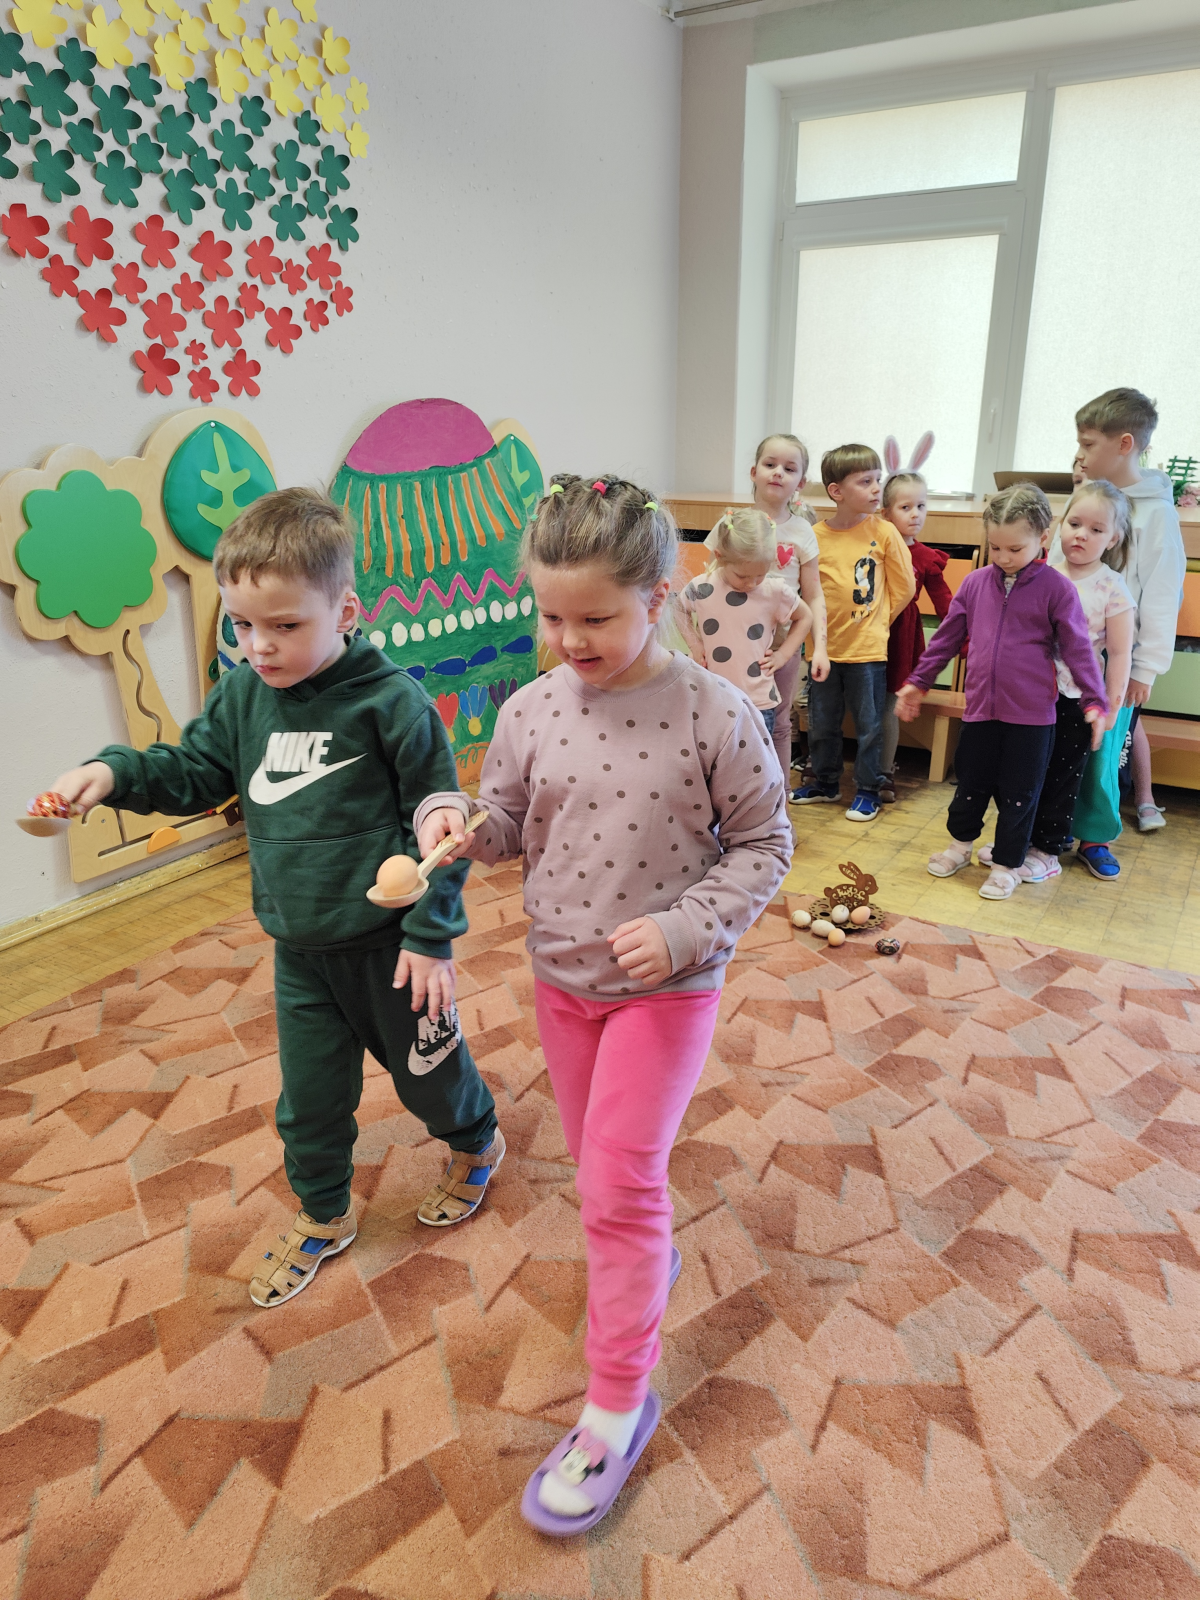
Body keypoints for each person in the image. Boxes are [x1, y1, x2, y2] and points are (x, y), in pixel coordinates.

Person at [419, 474, 792, 1535]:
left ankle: (615, 1405)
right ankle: (646, 1255)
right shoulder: (531, 708)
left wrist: (685, 929)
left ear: (659, 595)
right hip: (562, 982)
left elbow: (767, 844)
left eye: (593, 618)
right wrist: (455, 818)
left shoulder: (714, 712)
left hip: (667, 990)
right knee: (598, 1173)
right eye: (550, 616)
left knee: (619, 1185)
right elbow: (505, 823)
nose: (567, 639)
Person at [45, 489, 503, 1308]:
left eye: (285, 625)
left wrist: (431, 937)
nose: (259, 646)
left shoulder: (392, 703)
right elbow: (195, 774)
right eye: (242, 625)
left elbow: (443, 833)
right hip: (301, 949)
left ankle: (476, 1142)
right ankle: (324, 1213)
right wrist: (113, 774)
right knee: (309, 1103)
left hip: (393, 952)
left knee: (429, 1079)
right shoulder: (242, 697)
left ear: (346, 611)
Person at [896, 483, 1108, 899]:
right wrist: (918, 682)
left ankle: (1008, 865)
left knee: (1019, 795)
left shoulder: (1057, 589)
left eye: (1015, 548)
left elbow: (1078, 649)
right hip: (980, 710)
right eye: (995, 548)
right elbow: (946, 638)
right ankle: (959, 847)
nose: (1004, 558)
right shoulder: (975, 584)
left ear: (1043, 538)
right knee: (970, 785)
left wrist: (1094, 700)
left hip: (1032, 718)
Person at [983, 481, 1135, 882]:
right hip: (1028, 696)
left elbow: (1120, 653)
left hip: (1074, 701)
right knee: (1020, 774)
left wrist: (1109, 707)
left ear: (1113, 538)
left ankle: (1047, 849)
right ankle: (1014, 841)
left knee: (1060, 778)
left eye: (1096, 529)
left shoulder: (1111, 587)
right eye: (1075, 523)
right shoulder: (1039, 573)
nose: (1081, 535)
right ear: (1057, 527)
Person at [1058, 388, 1185, 833]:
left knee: (1103, 755)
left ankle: (1095, 838)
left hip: (1116, 660)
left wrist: (1144, 669)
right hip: (1064, 656)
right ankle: (1051, 832)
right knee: (1061, 749)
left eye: (1088, 443)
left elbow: (1163, 596)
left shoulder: (1157, 516)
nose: (1079, 453)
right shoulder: (1085, 500)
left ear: (1125, 444)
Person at [790, 444, 915, 822]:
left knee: (869, 726)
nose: (877, 488)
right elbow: (806, 589)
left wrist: (877, 621)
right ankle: (825, 782)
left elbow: (904, 588)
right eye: (865, 482)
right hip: (823, 650)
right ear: (836, 491)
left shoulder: (885, 532)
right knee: (822, 722)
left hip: (867, 650)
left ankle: (868, 789)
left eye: (878, 479)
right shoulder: (814, 536)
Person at [723, 433, 829, 777]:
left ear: (802, 482)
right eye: (770, 464)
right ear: (754, 472)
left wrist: (820, 648)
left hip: (780, 647)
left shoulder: (802, 532)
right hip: (732, 643)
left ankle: (779, 798)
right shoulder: (731, 523)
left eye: (789, 468)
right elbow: (709, 585)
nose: (778, 472)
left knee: (779, 723)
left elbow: (813, 594)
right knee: (726, 718)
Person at [681, 506, 813, 758]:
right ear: (720, 556)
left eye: (760, 575)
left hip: (758, 702)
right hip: (711, 699)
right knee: (713, 762)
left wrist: (783, 654)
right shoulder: (702, 586)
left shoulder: (774, 590)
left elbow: (805, 616)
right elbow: (679, 609)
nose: (751, 583)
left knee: (756, 764)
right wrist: (695, 645)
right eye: (742, 575)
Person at [879, 471, 952, 803]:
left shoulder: (925, 557)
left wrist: (966, 640)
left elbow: (947, 604)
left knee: (888, 706)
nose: (915, 515)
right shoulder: (874, 548)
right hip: (870, 631)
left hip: (902, 638)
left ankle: (884, 773)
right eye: (905, 507)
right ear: (886, 513)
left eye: (921, 506)